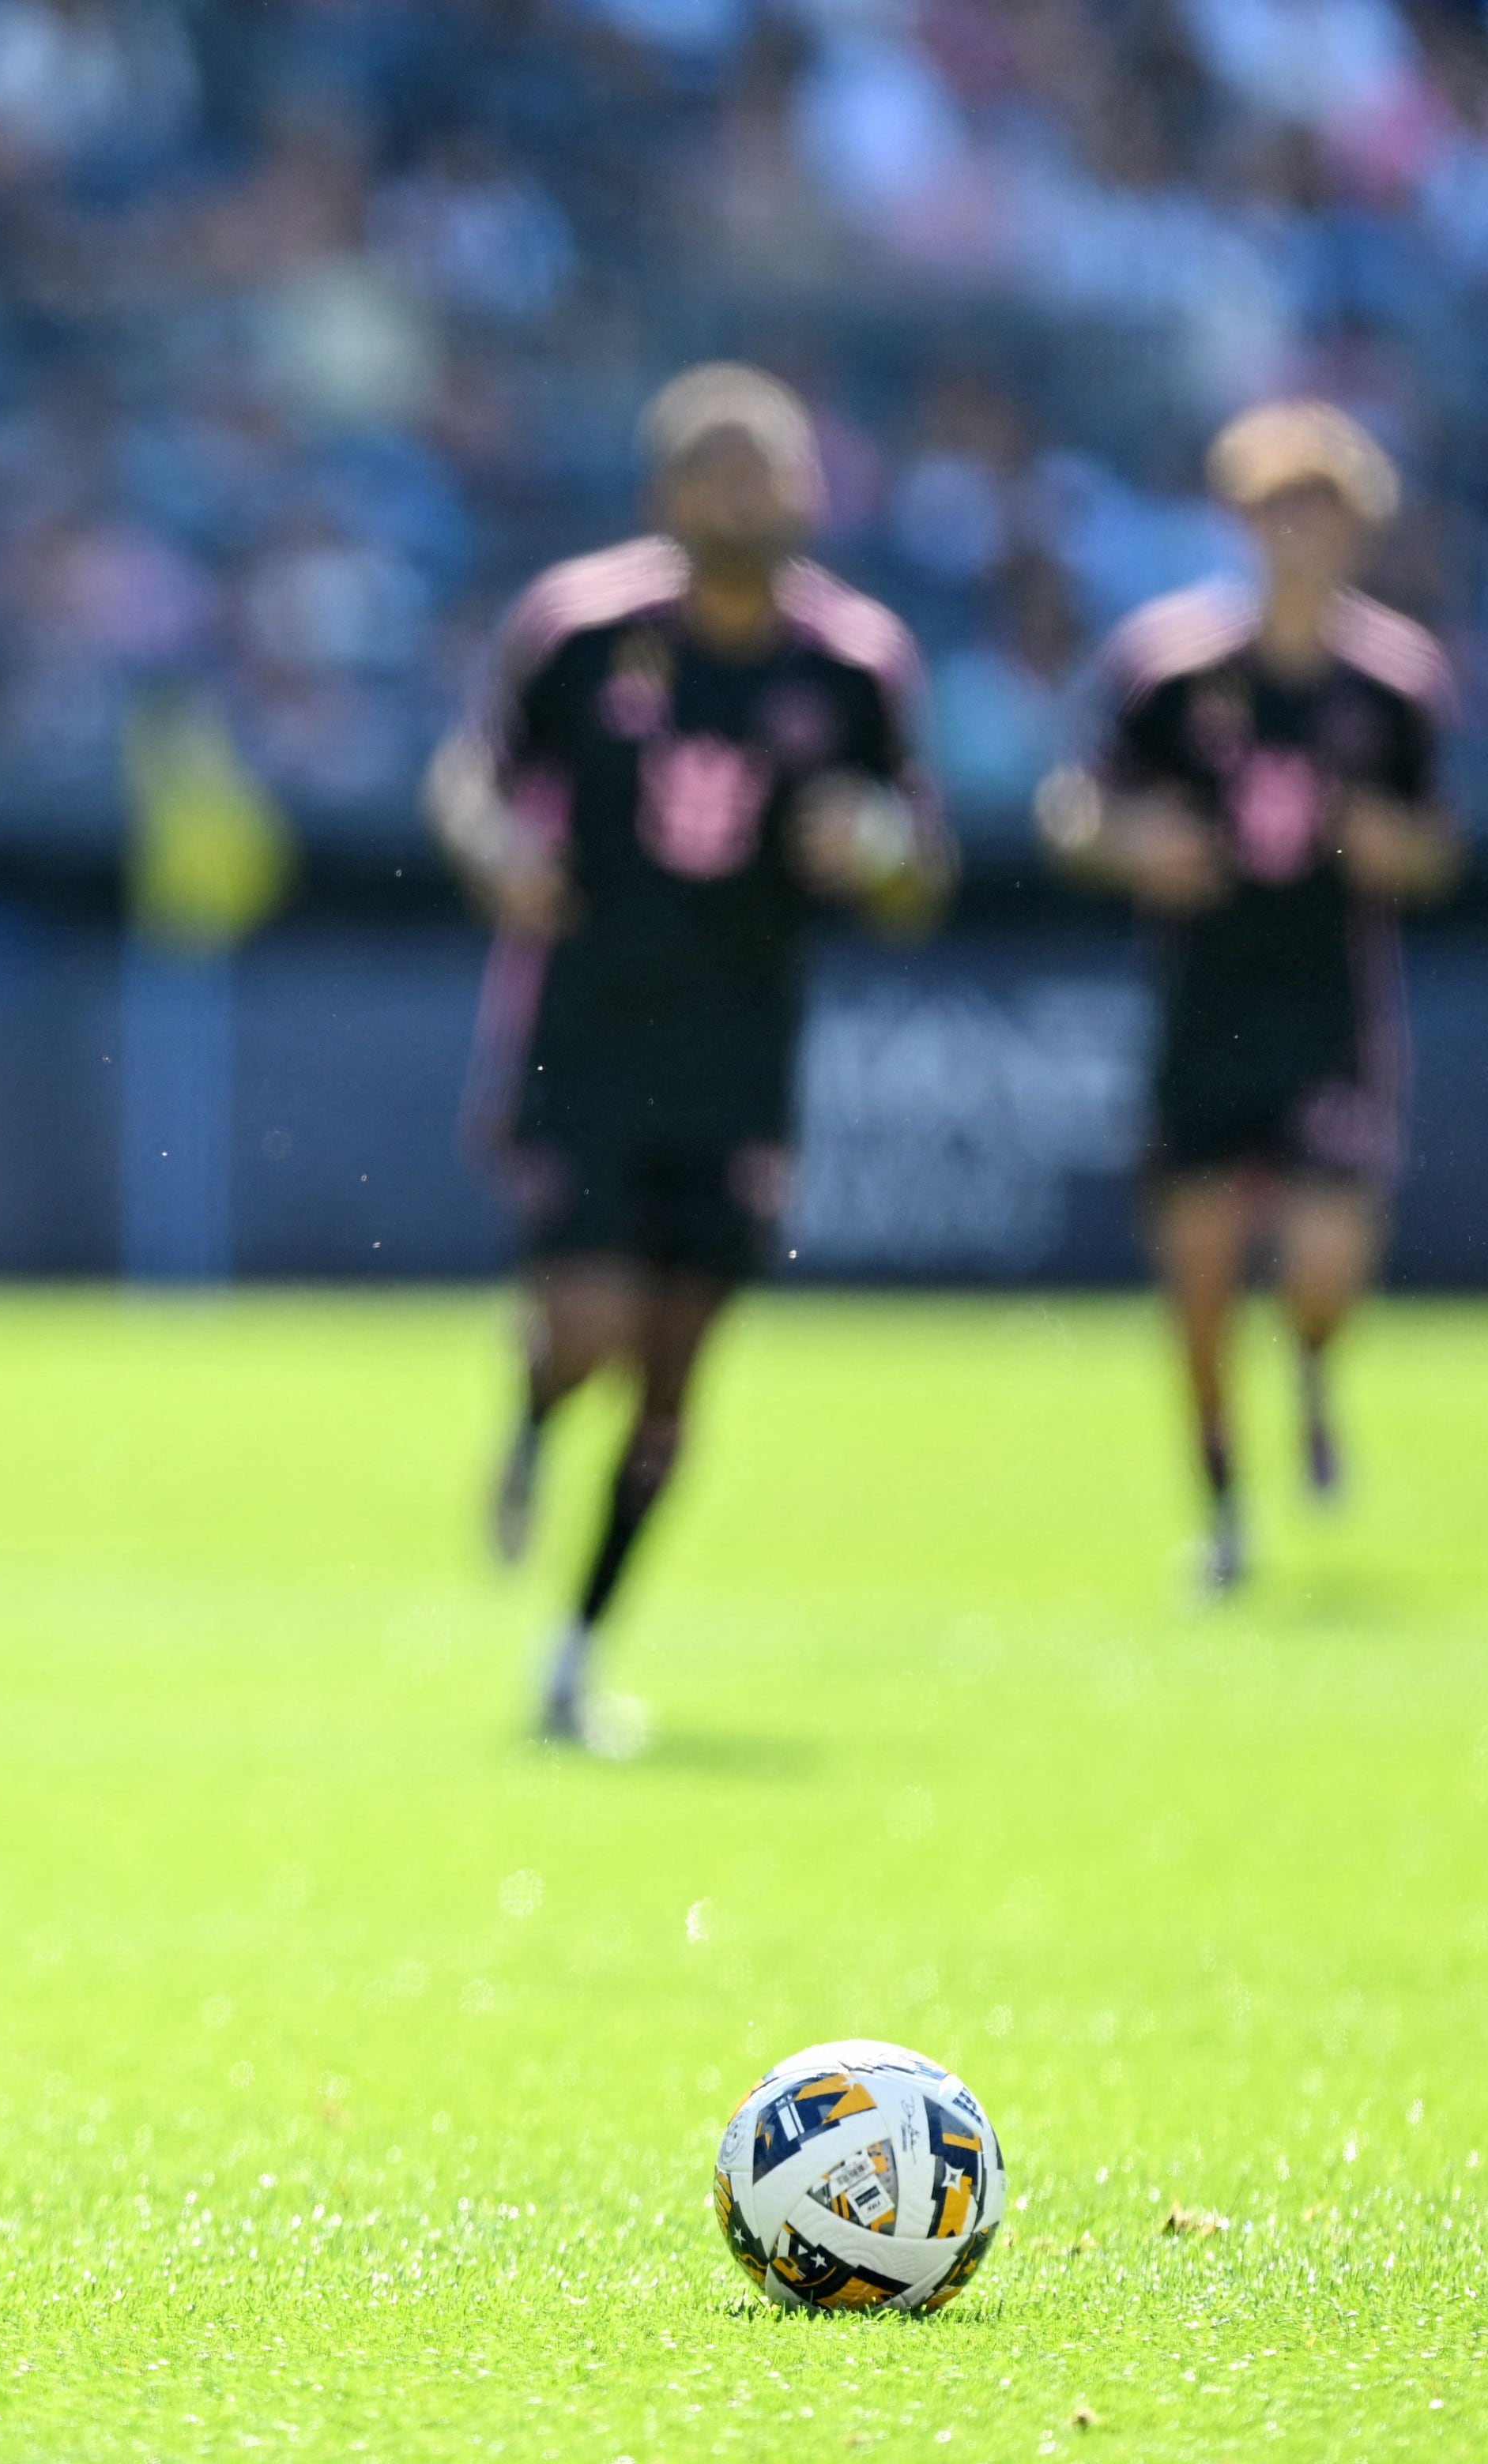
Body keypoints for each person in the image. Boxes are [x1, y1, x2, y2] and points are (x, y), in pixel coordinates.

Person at [428, 366, 951, 1753]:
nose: (747, 492)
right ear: (667, 494)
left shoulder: (853, 663)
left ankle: (577, 1646)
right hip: (587, 1035)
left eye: (769, 466)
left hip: (740, 1056)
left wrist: (879, 850)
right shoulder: (584, 628)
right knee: (593, 1327)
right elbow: (474, 773)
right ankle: (536, 1409)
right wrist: (497, 848)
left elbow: (919, 864)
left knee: (675, 1371)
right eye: (720, 467)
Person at [1038, 401, 1456, 1593]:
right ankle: (1223, 1504)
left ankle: (1316, 1369)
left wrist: (1394, 847)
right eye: (1277, 507)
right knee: (1203, 1270)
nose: (1297, 534)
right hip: (1203, 1006)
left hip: (1326, 1006)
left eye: (1321, 509)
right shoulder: (1169, 668)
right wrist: (1132, 845)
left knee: (1323, 1260)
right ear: (1239, 518)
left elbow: (1435, 847)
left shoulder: (1393, 682)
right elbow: (1076, 812)